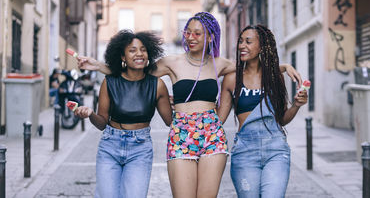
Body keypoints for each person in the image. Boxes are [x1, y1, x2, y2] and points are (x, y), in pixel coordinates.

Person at [77, 12, 301, 198]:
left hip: (212, 133)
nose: (190, 37)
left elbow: (252, 66)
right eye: (188, 32)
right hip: (182, 132)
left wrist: (282, 67)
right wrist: (99, 66)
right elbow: (136, 72)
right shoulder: (171, 62)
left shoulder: (220, 64)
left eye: (197, 33)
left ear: (211, 37)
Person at [73, 30, 172, 198]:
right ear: (123, 57)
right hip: (110, 146)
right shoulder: (109, 82)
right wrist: (90, 114)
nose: (139, 53)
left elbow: (170, 121)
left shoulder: (157, 85)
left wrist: (186, 105)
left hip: (140, 148)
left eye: (143, 49)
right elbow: (102, 123)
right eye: (132, 50)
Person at [218, 25, 308, 198]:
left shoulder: (274, 77)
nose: (242, 45)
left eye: (248, 42)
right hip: (245, 152)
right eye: (241, 41)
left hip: (276, 150)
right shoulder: (231, 79)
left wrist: (296, 105)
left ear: (262, 47)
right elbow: (218, 119)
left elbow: (281, 119)